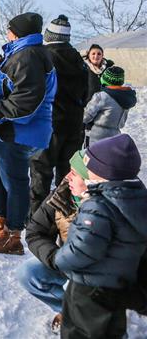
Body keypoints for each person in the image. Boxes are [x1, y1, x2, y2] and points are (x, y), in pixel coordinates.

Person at [53, 134, 147, 338]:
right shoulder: (136, 199)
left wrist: (59, 259)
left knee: (77, 332)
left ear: (104, 173)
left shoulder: (99, 205)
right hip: (116, 287)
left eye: (90, 167)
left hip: (89, 288)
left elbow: (82, 249)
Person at [0, 12, 56, 255]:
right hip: (10, 131)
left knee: (15, 182)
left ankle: (13, 236)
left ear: (18, 32)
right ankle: (1, 223)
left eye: (10, 29)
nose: (7, 33)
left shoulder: (28, 56)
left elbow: (26, 101)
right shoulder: (22, 52)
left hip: (20, 131)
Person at [19, 151, 86, 334]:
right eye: (70, 170)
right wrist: (56, 258)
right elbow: (35, 231)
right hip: (68, 263)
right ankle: (67, 309)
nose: (68, 176)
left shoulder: (105, 203)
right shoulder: (63, 193)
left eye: (76, 173)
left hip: (97, 275)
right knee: (28, 273)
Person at [29, 15, 88, 216]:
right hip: (74, 124)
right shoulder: (80, 60)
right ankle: (64, 217)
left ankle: (37, 217)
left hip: (49, 124)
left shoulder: (44, 56)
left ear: (49, 35)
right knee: (67, 175)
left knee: (41, 172)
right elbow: (88, 92)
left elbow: (36, 90)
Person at [83, 66, 137, 145]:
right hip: (115, 136)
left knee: (92, 157)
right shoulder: (126, 96)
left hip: (96, 137)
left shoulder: (102, 96)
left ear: (104, 79)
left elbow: (85, 117)